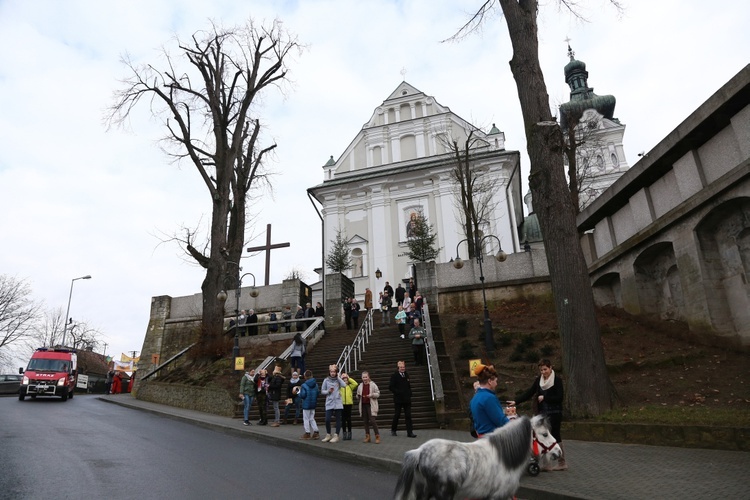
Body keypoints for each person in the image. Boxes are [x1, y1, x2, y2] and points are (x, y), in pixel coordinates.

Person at [509, 359, 567, 471]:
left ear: (550, 368)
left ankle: (562, 461)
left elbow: (559, 398)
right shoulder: (538, 381)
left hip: (554, 413)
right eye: (541, 370)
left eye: (545, 369)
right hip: (542, 413)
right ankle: (547, 464)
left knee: (555, 435)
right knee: (542, 436)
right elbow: (529, 393)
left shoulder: (557, 381)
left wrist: (545, 398)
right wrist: (516, 401)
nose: (543, 372)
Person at [469, 363, 510, 438]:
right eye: (495, 381)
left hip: (482, 439)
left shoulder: (474, 398)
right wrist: (515, 425)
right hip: (493, 440)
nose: (496, 384)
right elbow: (501, 421)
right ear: (490, 381)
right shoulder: (489, 398)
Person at [389, 360, 417, 438]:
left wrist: (409, 393)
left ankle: (410, 432)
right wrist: (398, 392)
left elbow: (408, 385)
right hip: (398, 399)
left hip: (407, 399)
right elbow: (391, 387)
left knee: (408, 415)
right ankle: (393, 429)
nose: (402, 368)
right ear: (398, 368)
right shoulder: (394, 376)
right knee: (397, 414)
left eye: (403, 367)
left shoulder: (406, 375)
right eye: (401, 367)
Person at [320, 364, 347, 443]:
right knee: (327, 419)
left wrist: (338, 378)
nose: (332, 373)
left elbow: (344, 385)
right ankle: (328, 434)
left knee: (338, 419)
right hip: (329, 402)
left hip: (338, 402)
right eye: (331, 372)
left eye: (334, 372)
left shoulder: (338, 380)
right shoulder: (326, 380)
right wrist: (328, 391)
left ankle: (336, 435)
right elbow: (322, 391)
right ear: (329, 372)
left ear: (336, 372)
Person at [356, 370, 381, 444]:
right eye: (363, 377)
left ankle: (377, 436)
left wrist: (372, 395)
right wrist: (358, 396)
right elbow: (357, 395)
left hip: (371, 405)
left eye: (366, 377)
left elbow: (378, 393)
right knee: (365, 421)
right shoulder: (360, 385)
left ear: (368, 377)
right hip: (363, 405)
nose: (365, 379)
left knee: (373, 421)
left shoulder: (373, 385)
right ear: (361, 378)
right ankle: (367, 436)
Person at [298, 369, 320, 440]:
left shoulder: (304, 385)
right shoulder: (316, 385)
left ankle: (307, 433)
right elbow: (317, 393)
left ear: (305, 377)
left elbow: (303, 395)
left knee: (306, 418)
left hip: (306, 404)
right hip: (313, 404)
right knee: (312, 418)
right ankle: (316, 432)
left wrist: (298, 393)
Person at [339, 371, 359, 440]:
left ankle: (350, 433)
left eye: (346, 380)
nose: (345, 381)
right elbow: (336, 383)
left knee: (349, 419)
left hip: (349, 404)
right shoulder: (340, 387)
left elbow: (355, 383)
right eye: (343, 380)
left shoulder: (350, 387)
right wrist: (340, 378)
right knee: (343, 420)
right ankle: (344, 433)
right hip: (342, 404)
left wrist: (348, 377)